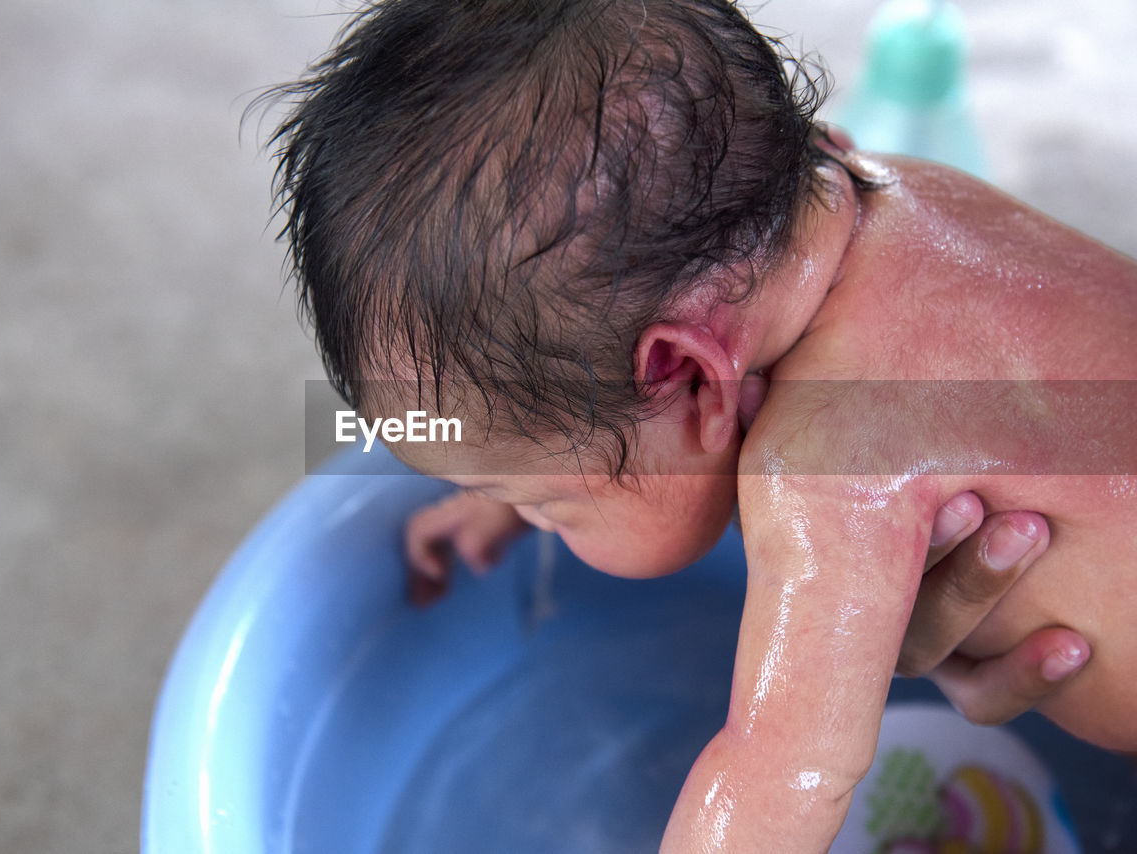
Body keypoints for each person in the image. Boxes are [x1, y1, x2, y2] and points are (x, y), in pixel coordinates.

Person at [256, 0, 1133, 849]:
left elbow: (777, 775)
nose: (533, 516)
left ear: (685, 375)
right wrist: (514, 478)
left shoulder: (831, 458)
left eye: (546, 506)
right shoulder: (900, 193)